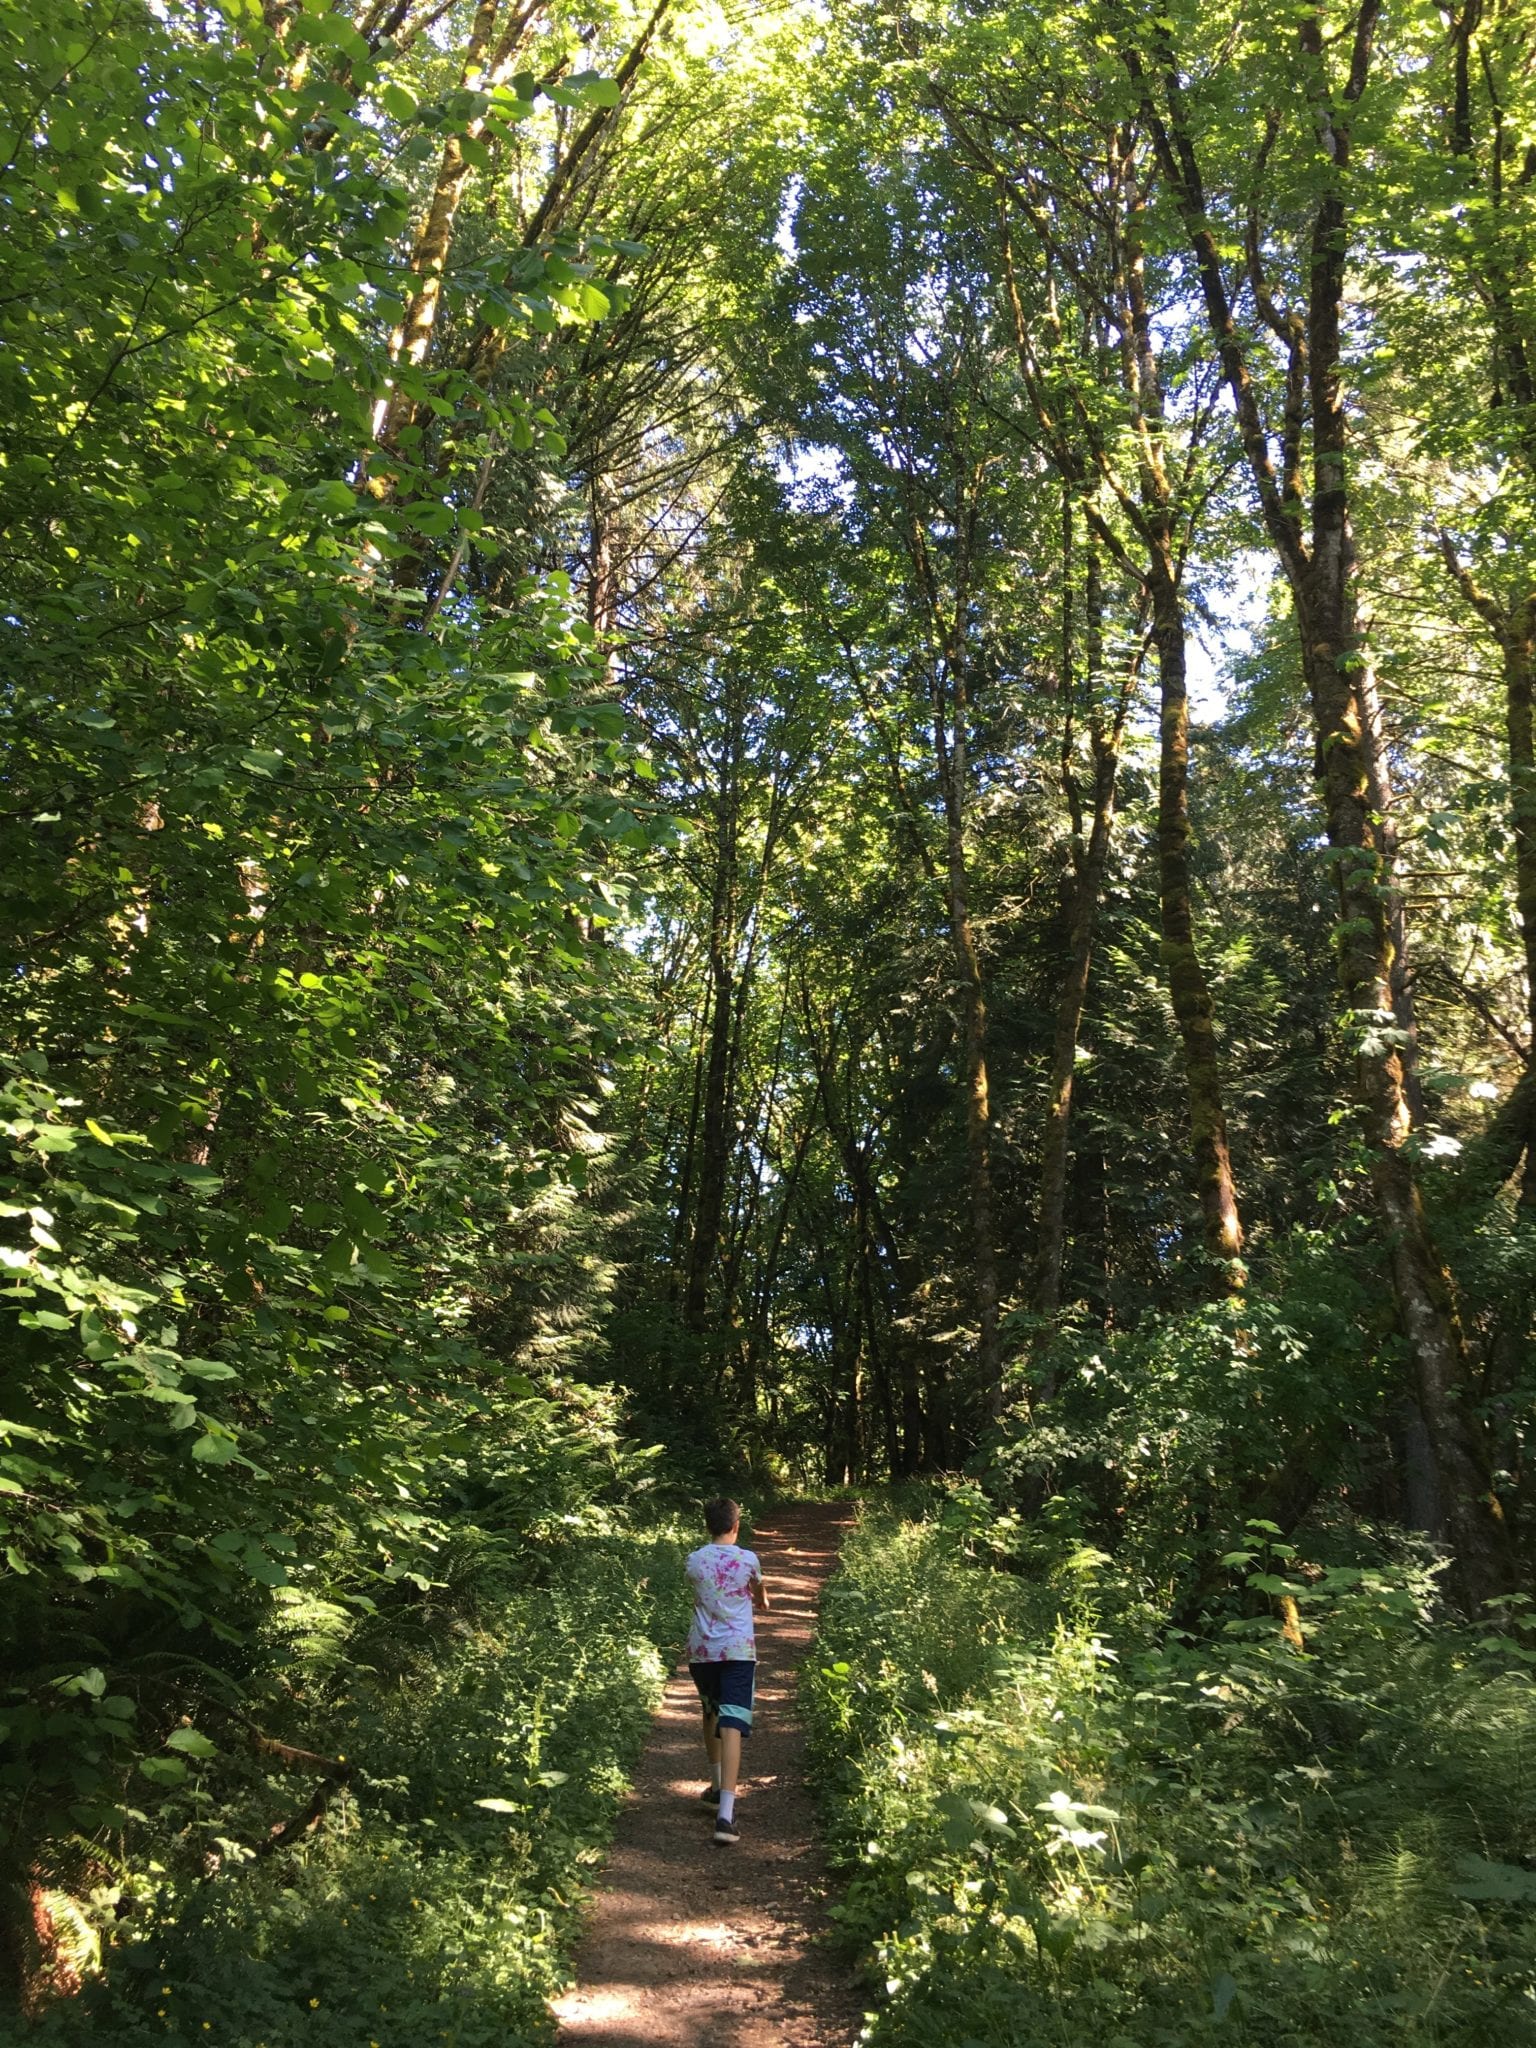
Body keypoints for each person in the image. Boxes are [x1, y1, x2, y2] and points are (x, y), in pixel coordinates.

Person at [686, 1497, 769, 1847]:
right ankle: (725, 1814)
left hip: (702, 1652)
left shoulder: (694, 1560)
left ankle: (717, 1783)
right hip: (738, 1652)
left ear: (708, 1526)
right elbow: (759, 1590)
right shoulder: (748, 1559)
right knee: (732, 1723)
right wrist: (761, 1597)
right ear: (736, 1525)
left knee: (711, 1711)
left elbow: (701, 1590)